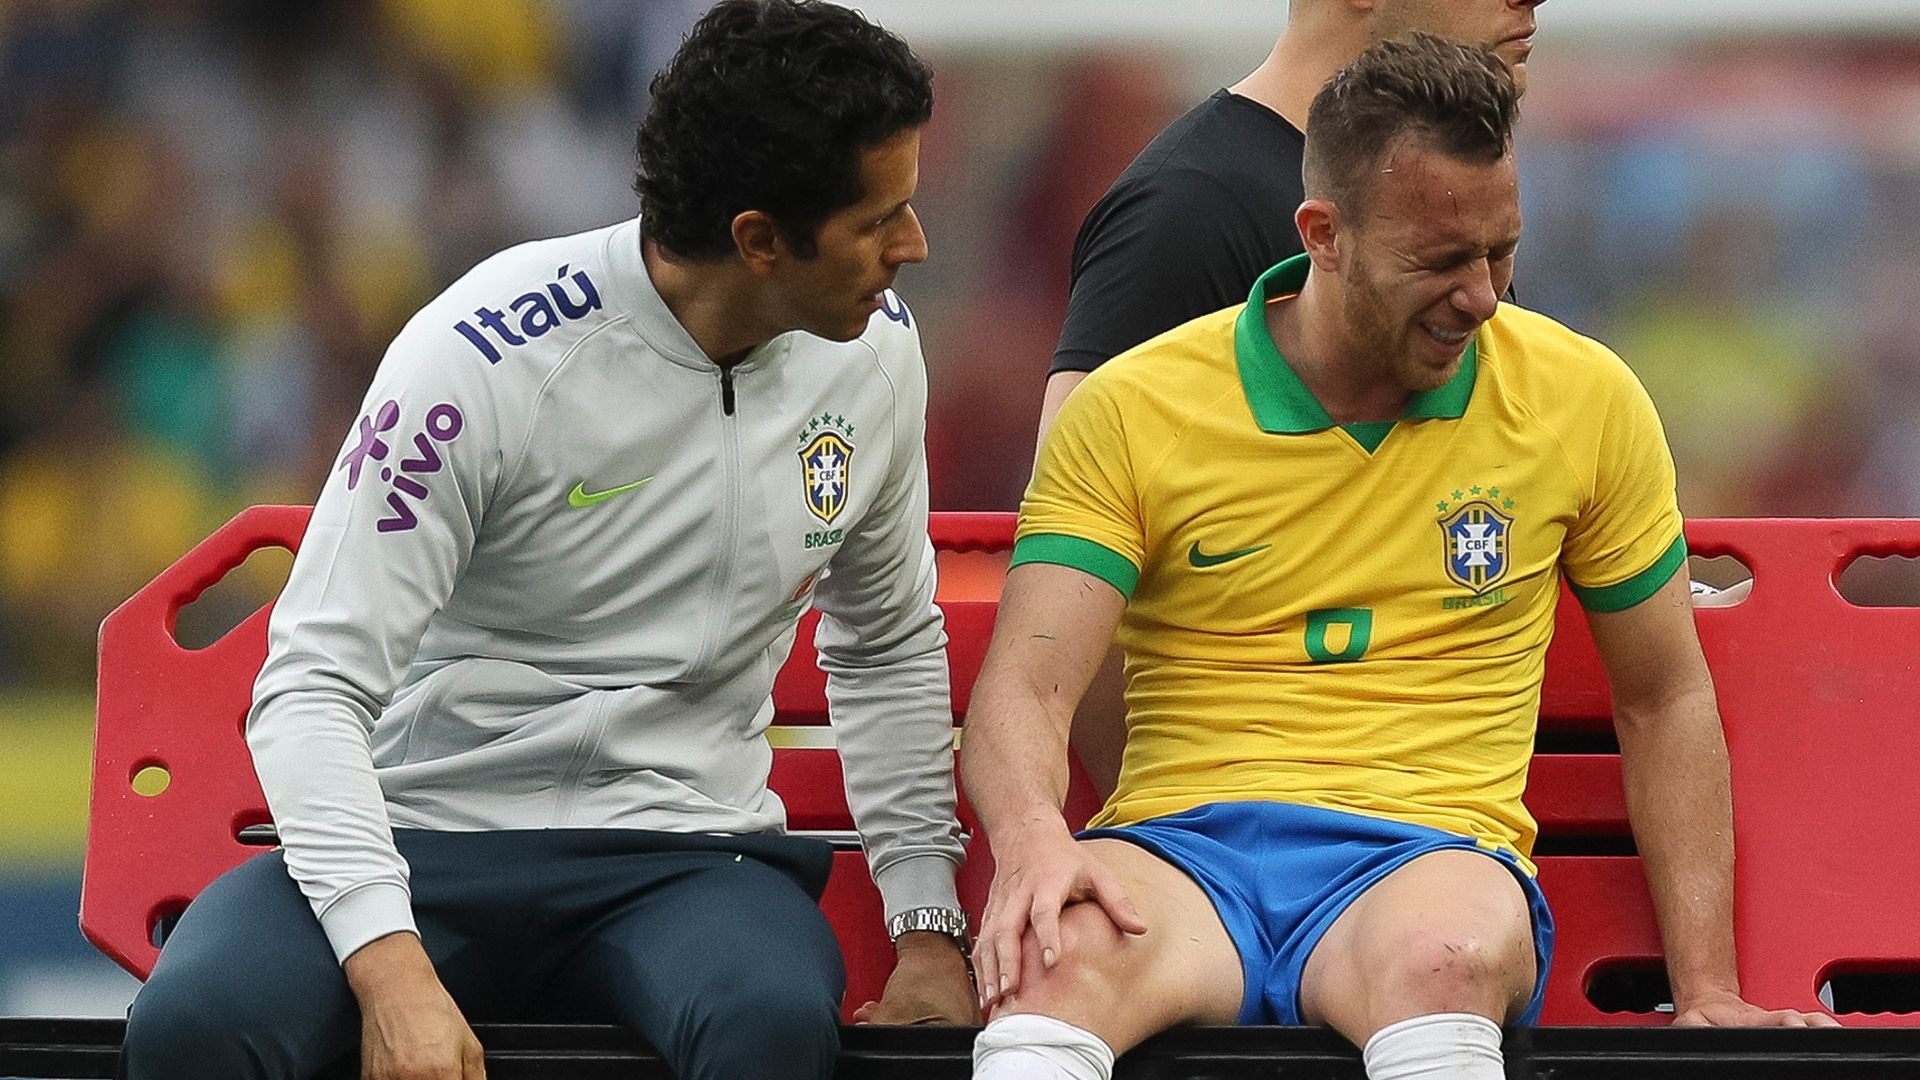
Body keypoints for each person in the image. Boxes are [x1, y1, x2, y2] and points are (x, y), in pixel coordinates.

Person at [121, 3, 976, 1078]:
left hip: (689, 862)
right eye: (880, 219)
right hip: (422, 840)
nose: (915, 245)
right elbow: (311, 686)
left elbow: (887, 644)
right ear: (759, 240)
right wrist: (391, 971)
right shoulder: (481, 355)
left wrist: (929, 931)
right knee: (195, 1029)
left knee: (765, 1025)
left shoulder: (877, 355)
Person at [964, 34, 1837, 1080]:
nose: (1483, 296)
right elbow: (1022, 692)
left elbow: (1664, 696)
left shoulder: (1585, 399)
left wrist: (1707, 994)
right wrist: (1032, 844)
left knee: (1444, 962)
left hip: (1424, 858)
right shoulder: (1132, 407)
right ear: (1323, 234)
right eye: (1440, 261)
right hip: (1180, 857)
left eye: (1500, 252)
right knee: (1046, 966)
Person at [1039, 0, 1549, 797]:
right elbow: (1069, 567)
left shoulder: (1446, 193)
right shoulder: (1188, 214)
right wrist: (1189, 853)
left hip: (1450, 828)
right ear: (1321, 235)